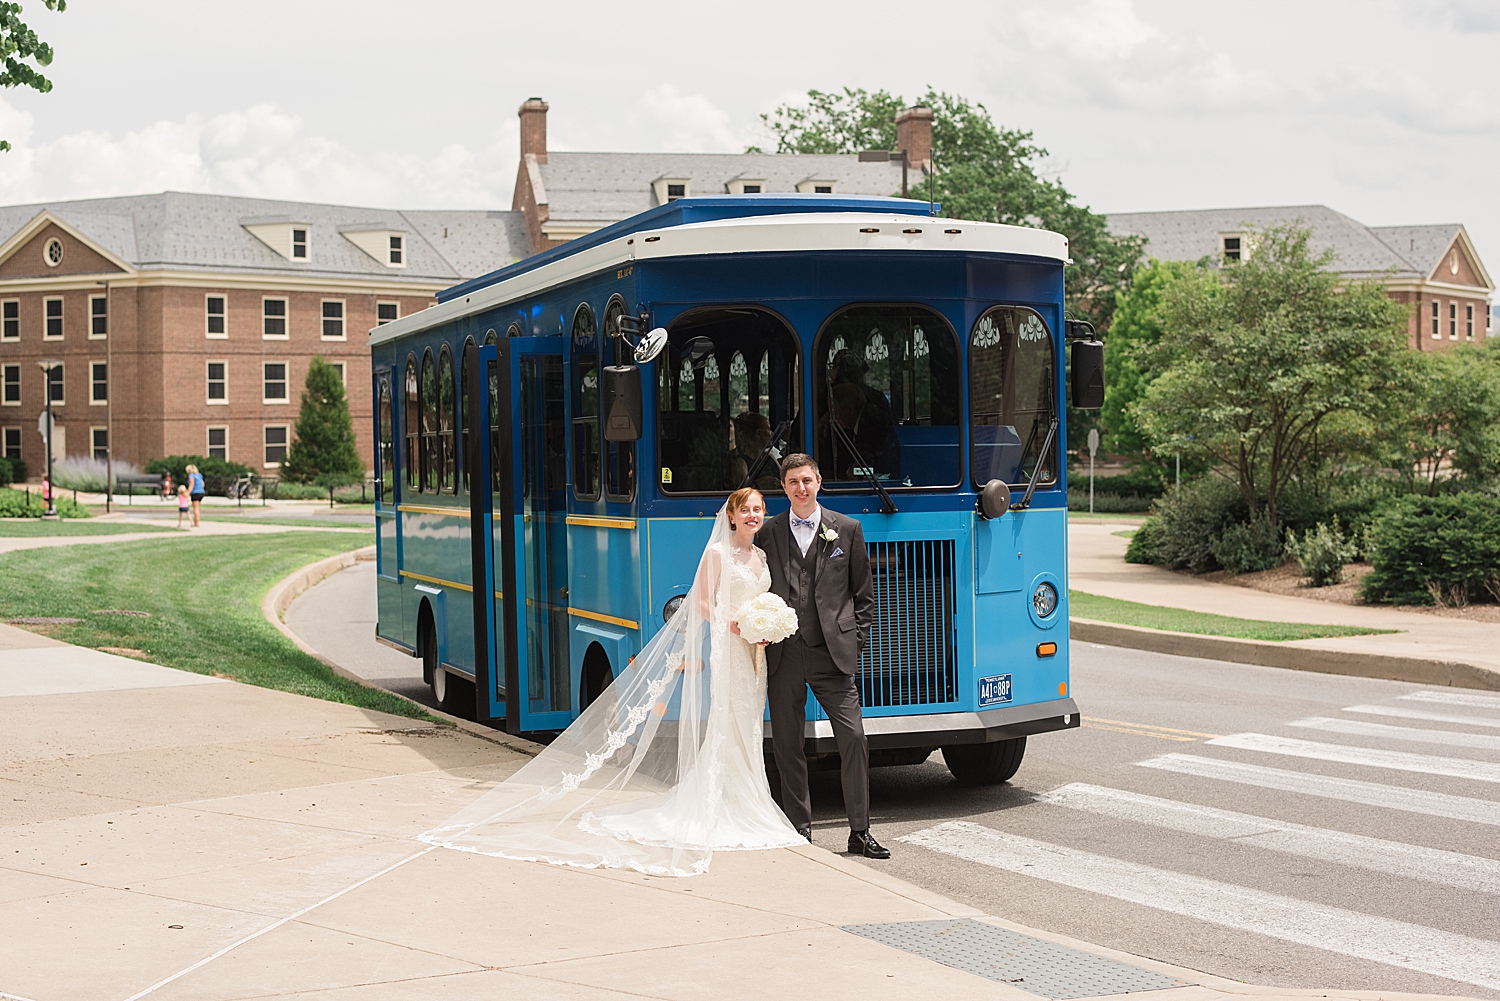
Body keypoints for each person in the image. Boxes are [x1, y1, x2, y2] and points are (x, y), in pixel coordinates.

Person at [420, 486, 806, 876]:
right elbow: (702, 602)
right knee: (729, 723)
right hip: (729, 648)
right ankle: (725, 801)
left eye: (758, 509)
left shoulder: (759, 555)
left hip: (753, 653)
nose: (754, 516)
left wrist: (766, 625)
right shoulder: (716, 554)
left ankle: (747, 797)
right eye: (746, 510)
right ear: (732, 516)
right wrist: (738, 624)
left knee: (750, 724)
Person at [756, 453, 888, 858]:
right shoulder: (768, 533)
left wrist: (854, 640)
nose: (801, 488)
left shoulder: (846, 529)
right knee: (788, 744)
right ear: (783, 487)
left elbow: (863, 595)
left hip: (833, 654)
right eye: (793, 482)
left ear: (819, 482)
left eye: (807, 480)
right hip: (784, 655)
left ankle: (859, 831)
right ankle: (800, 828)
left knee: (853, 737)